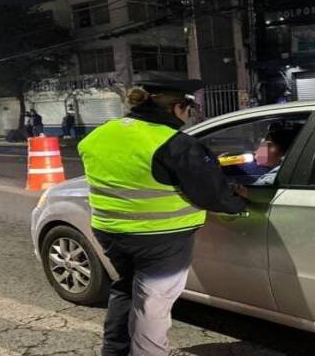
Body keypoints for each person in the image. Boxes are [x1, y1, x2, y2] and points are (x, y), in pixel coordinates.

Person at [78, 79, 248, 356]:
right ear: (178, 107)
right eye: (188, 109)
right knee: (154, 303)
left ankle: (114, 351)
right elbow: (211, 194)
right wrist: (236, 202)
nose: (188, 116)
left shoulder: (102, 133)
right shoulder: (174, 144)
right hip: (161, 237)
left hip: (110, 231)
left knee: (126, 290)